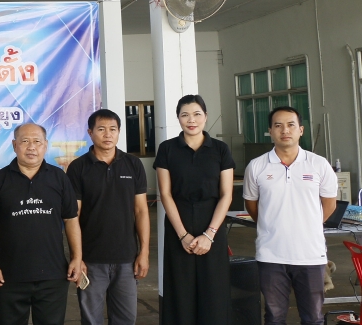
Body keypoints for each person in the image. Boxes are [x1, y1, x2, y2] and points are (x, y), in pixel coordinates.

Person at [0, 123, 83, 325]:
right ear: (14, 145)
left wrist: (77, 258)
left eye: (37, 141)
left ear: (45, 145)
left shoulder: (59, 178)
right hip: (10, 275)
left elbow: (71, 220)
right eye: (25, 141)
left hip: (53, 274)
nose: (31, 147)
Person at [244, 106, 337, 325]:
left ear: (301, 130)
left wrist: (307, 226)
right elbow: (252, 206)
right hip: (271, 255)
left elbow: (330, 205)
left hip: (310, 255)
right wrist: (272, 225)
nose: (285, 130)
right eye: (278, 125)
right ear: (270, 131)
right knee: (274, 317)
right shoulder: (256, 166)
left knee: (313, 318)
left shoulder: (319, 164)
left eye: (291, 125)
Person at [154, 94, 235, 325]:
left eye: (197, 114)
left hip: (213, 224)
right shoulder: (167, 149)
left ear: (206, 116)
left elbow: (226, 195)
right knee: (180, 291)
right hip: (178, 224)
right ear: (178, 118)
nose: (191, 120)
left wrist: (209, 235)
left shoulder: (220, 149)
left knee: (214, 291)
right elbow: (165, 194)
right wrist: (183, 235)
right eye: (185, 115)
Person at [67, 109, 150, 325]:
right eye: (101, 129)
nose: (107, 134)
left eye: (113, 129)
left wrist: (144, 252)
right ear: (90, 132)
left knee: (125, 319)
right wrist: (77, 257)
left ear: (119, 132)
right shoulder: (78, 168)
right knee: (91, 320)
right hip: (91, 260)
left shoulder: (133, 164)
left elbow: (141, 211)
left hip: (127, 258)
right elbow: (73, 216)